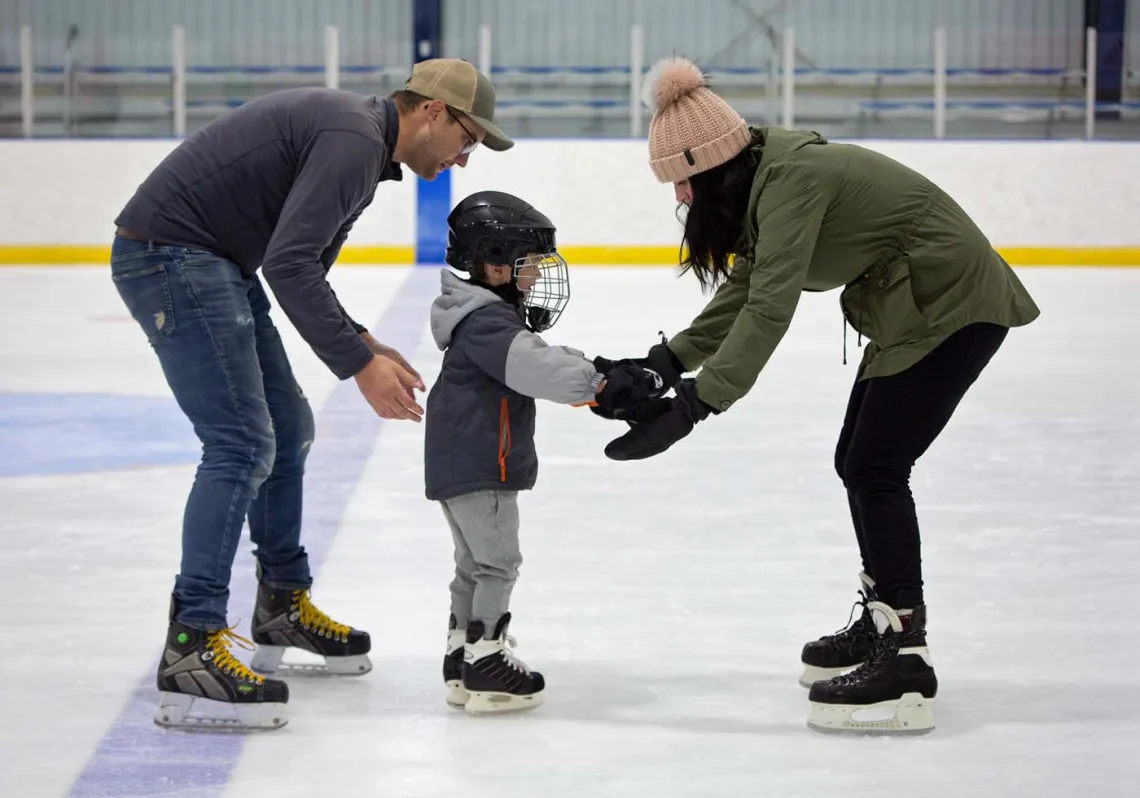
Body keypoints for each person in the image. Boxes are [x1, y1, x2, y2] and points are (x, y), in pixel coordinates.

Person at [595, 57, 1040, 735]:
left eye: (682, 183)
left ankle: (906, 655)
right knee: (858, 462)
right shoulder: (766, 179)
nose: (681, 200)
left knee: (875, 467)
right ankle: (883, 623)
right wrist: (663, 365)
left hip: (951, 307)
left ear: (710, 165)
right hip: (912, 312)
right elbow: (747, 290)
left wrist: (694, 405)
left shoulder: (791, 181)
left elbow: (770, 310)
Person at [110, 58, 514, 731]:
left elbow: (302, 265)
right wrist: (358, 363)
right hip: (172, 254)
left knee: (287, 427)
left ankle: (280, 604)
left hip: (213, 260)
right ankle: (192, 643)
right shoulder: (354, 142)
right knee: (241, 443)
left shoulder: (364, 150)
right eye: (468, 139)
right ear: (432, 111)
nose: (466, 158)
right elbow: (289, 265)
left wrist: (360, 339)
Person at [425, 191, 663, 715]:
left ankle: (461, 656)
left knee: (473, 564)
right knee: (497, 563)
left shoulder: (479, 318)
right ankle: (486, 660)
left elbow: (537, 356)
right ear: (492, 263)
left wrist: (596, 367)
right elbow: (537, 368)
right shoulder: (487, 325)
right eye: (527, 263)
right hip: (482, 463)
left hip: (459, 462)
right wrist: (601, 384)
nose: (535, 275)